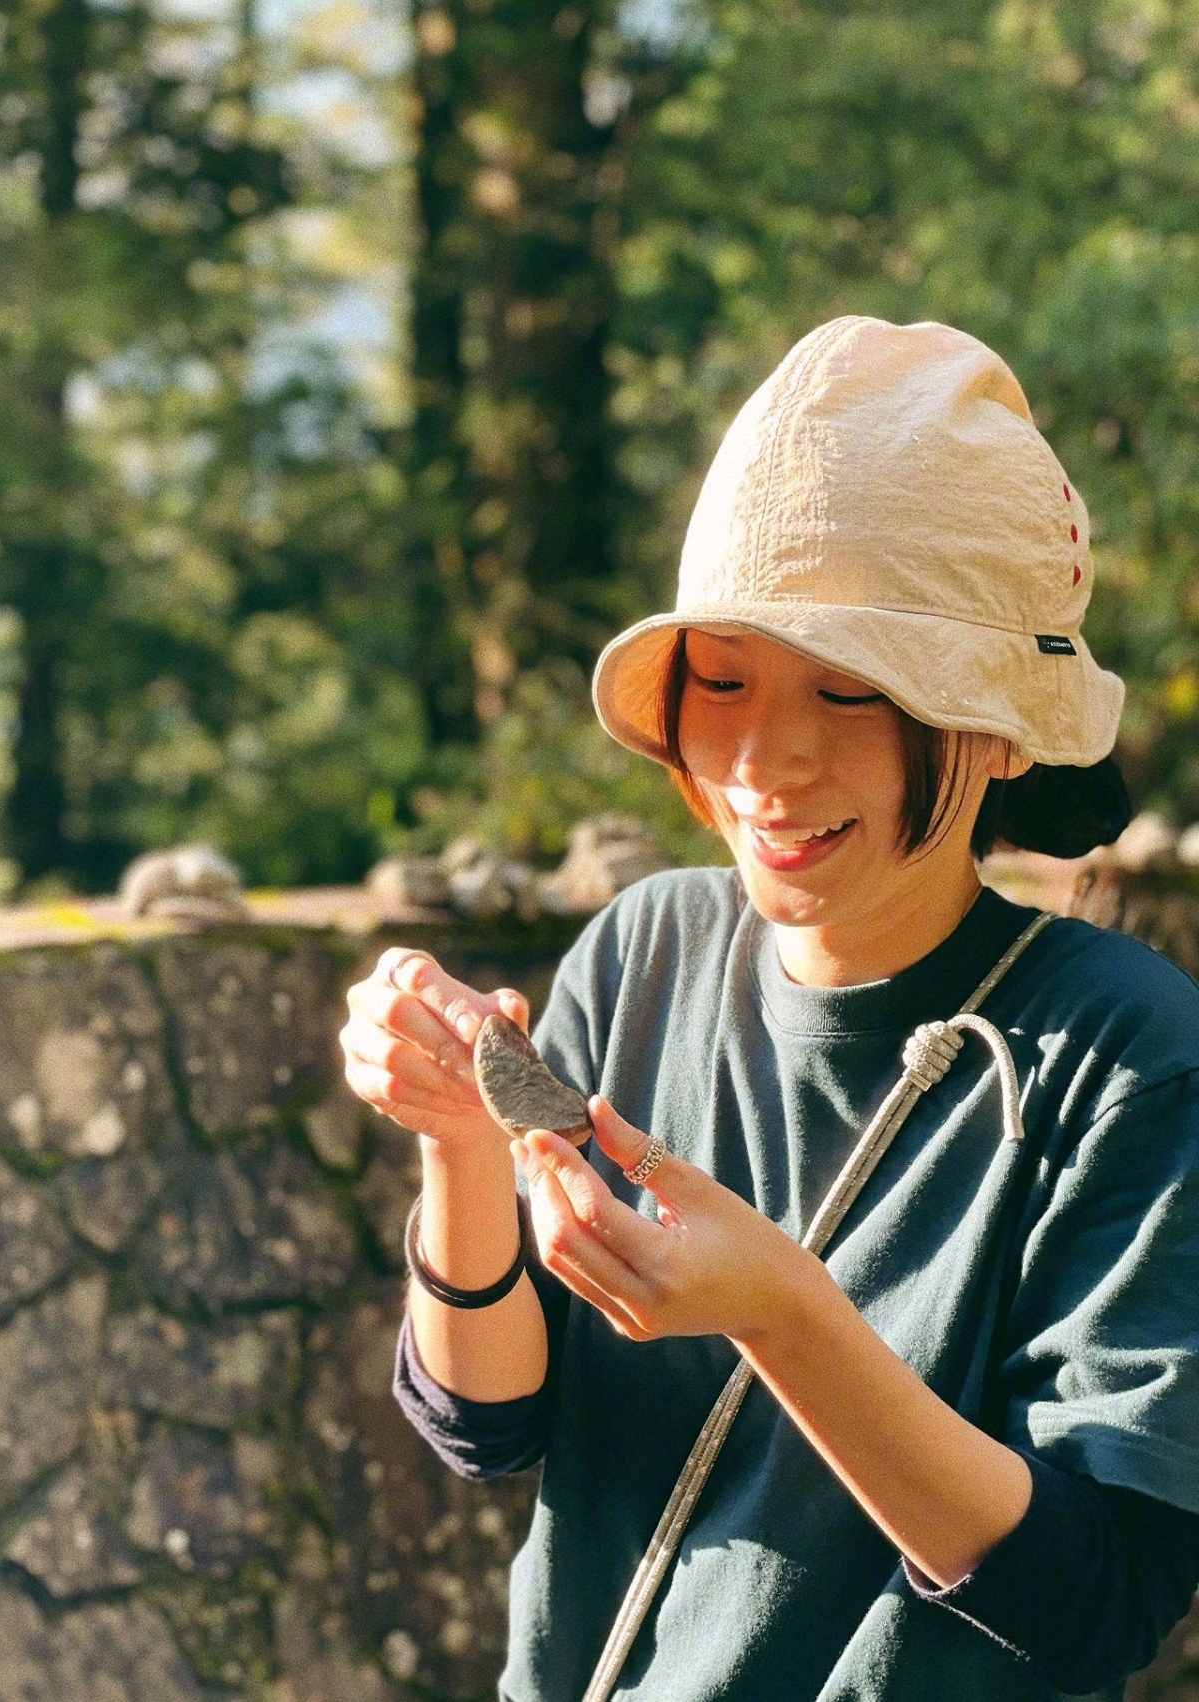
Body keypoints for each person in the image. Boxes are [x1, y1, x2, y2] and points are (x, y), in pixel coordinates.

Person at [338, 317, 1199, 1701]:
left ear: (990, 722)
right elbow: (489, 1420)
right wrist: (455, 1139)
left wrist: (785, 1310)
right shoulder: (645, 948)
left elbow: (1098, 1597)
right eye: (722, 679)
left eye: (849, 688)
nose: (763, 758)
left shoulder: (1127, 1056)